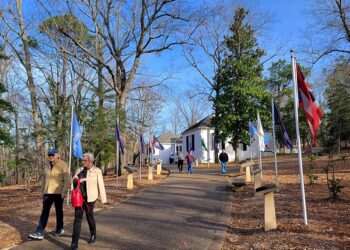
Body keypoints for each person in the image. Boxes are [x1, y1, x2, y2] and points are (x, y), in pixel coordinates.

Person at [28, 149, 70, 240]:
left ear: (57, 155)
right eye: (49, 155)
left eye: (52, 154)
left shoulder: (63, 165)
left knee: (59, 212)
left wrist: (64, 192)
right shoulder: (46, 165)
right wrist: (42, 191)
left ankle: (59, 229)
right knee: (44, 212)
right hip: (47, 193)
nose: (50, 156)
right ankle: (39, 232)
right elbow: (44, 179)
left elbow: (67, 180)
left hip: (58, 193)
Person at [70, 153, 107, 250]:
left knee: (89, 217)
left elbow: (100, 184)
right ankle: (74, 244)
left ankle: (93, 234)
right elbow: (73, 182)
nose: (83, 162)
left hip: (90, 198)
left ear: (90, 161)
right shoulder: (79, 170)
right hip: (79, 198)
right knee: (77, 220)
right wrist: (76, 180)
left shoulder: (97, 171)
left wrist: (103, 199)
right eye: (82, 160)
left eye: (84, 160)